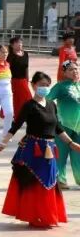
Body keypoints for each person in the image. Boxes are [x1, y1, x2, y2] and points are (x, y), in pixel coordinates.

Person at [0, 71, 80, 227]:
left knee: (50, 180)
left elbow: (58, 128)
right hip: (33, 149)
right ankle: (35, 216)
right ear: (33, 85)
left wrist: (71, 143)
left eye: (47, 85)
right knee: (34, 182)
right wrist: (4, 142)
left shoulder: (52, 105)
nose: (45, 88)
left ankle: (48, 216)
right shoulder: (29, 105)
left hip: (50, 149)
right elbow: (16, 125)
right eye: (41, 85)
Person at [48, 60, 80, 188]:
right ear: (64, 73)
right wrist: (52, 117)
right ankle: (60, 180)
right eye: (71, 69)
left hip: (79, 127)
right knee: (61, 155)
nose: (75, 71)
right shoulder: (60, 87)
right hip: (63, 126)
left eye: (76, 69)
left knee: (78, 154)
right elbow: (47, 100)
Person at [7, 36, 32, 111]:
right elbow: (7, 70)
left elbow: (26, 67)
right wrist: (9, 82)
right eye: (17, 43)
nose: (20, 44)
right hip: (14, 81)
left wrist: (27, 79)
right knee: (17, 98)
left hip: (23, 80)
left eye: (21, 42)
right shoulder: (10, 56)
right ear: (12, 45)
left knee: (25, 97)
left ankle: (22, 113)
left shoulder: (26, 54)